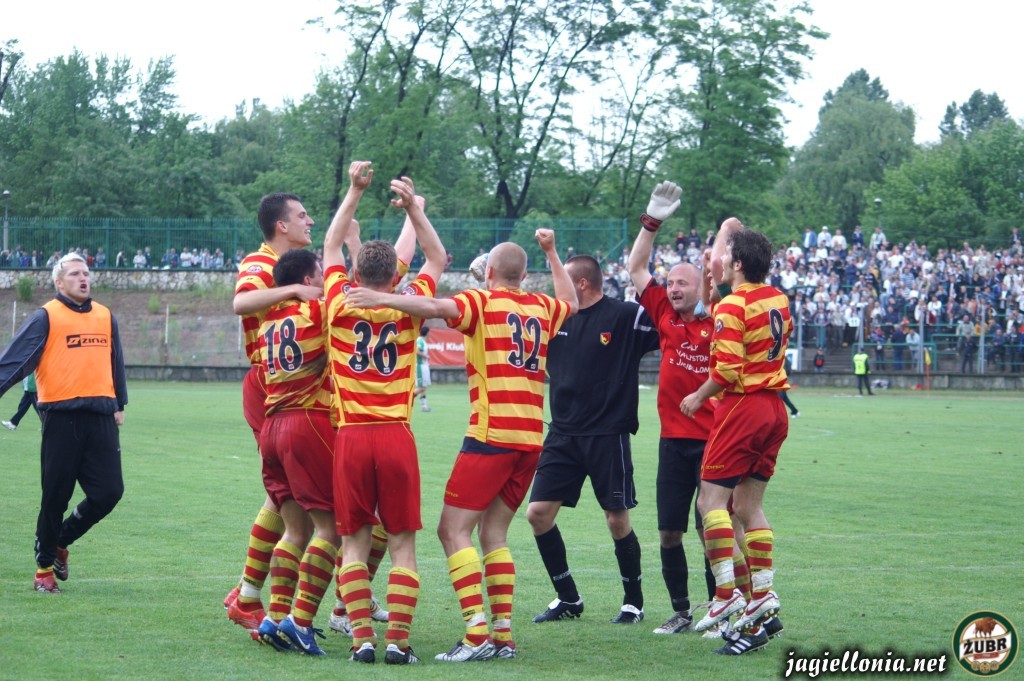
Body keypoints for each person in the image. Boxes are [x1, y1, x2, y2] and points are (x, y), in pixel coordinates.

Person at [345, 227, 577, 663]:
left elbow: (434, 306)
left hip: (490, 436)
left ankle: (476, 634)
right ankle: (503, 636)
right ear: (525, 275)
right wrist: (552, 252)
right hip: (531, 439)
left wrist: (379, 298)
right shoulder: (544, 307)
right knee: (494, 534)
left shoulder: (480, 302)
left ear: (488, 273)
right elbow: (572, 301)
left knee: (452, 530)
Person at [324, 162, 447, 665]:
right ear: (395, 275)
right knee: (402, 546)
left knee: (353, 546)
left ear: (355, 274)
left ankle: (361, 642)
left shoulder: (339, 303)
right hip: (396, 434)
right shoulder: (407, 304)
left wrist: (355, 190)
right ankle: (397, 641)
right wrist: (414, 209)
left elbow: (330, 245)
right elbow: (436, 256)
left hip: (352, 435)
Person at [525, 252, 659, 626]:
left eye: (563, 279)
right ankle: (568, 598)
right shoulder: (555, 318)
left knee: (616, 519)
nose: (556, 286)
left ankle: (633, 603)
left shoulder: (625, 315)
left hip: (607, 434)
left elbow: (669, 322)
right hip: (562, 434)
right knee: (537, 514)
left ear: (582, 283)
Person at [681, 229, 792, 655]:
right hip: (775, 409)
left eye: (726, 255)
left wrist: (698, 395)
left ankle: (726, 593)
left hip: (742, 407)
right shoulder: (777, 298)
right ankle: (761, 593)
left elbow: (727, 370)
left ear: (739, 264)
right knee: (748, 507)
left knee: (709, 502)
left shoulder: (734, 304)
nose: (721, 260)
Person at [624, 182, 720, 636]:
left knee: (711, 529)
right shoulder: (664, 312)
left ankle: (720, 607)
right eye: (672, 283)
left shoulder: (720, 317)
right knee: (668, 532)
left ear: (703, 288)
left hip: (714, 441)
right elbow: (636, 267)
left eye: (683, 283)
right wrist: (653, 219)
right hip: (672, 442)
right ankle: (682, 611)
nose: (674, 288)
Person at [0, 253, 128, 594]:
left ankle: (60, 541)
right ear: (59, 282)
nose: (83, 278)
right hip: (61, 419)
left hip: (101, 417)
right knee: (55, 495)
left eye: (86, 273)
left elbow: (116, 361)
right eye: (74, 274)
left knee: (109, 492)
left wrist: (120, 403)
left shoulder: (105, 316)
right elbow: (15, 360)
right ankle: (44, 570)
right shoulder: (46, 316)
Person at [225, 193, 321, 636]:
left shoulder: (293, 264)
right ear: (281, 225)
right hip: (271, 386)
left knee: (283, 498)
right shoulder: (260, 261)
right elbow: (241, 304)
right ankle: (257, 600)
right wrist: (295, 290)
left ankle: (247, 592)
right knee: (292, 500)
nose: (310, 221)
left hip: (288, 387)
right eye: (302, 215)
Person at [252, 248, 339, 656]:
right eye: (320, 274)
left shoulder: (269, 319)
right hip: (306, 424)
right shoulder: (316, 311)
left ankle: (274, 616)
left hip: (271, 428)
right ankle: (300, 621)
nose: (324, 281)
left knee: (295, 531)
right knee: (331, 529)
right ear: (307, 281)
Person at [414, 326, 432, 412]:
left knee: (423, 387)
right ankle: (408, 399)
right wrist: (426, 356)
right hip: (420, 367)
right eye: (429, 332)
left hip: (424, 366)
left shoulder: (423, 341)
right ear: (427, 332)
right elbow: (417, 351)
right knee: (421, 387)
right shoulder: (420, 340)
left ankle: (424, 406)